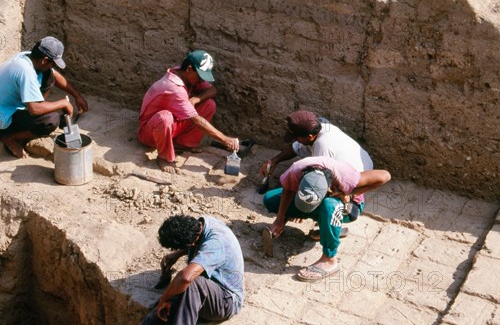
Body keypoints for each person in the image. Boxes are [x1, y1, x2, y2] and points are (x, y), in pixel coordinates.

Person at [262, 156, 391, 282]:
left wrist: (350, 194)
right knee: (270, 199)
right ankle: (327, 228)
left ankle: (329, 259)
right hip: (320, 198)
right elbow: (288, 189)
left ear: (328, 189)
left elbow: (385, 176)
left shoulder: (346, 178)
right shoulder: (297, 169)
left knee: (329, 205)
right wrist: (280, 218)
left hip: (348, 206)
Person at [259, 110, 373, 239]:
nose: (296, 141)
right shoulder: (320, 128)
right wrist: (275, 161)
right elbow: (295, 148)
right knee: (270, 199)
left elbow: (320, 186)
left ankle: (331, 228)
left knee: (322, 202)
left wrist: (304, 203)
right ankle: (323, 220)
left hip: (351, 200)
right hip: (346, 173)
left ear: (310, 136)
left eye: (297, 138)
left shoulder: (323, 147)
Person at [139, 215, 244, 325]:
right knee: (151, 322)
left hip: (226, 300)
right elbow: (196, 242)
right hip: (207, 290)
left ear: (191, 243)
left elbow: (185, 278)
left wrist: (164, 299)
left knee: (192, 281)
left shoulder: (216, 243)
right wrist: (177, 254)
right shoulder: (200, 223)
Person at [0, 36, 88, 158]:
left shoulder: (27, 56)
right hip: (1, 121)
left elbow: (54, 75)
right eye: (52, 63)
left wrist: (77, 96)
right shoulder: (26, 72)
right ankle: (11, 137)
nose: (52, 66)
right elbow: (34, 109)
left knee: (48, 75)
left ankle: (41, 106)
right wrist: (63, 103)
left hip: (3, 109)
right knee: (51, 120)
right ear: (44, 60)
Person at [138, 50, 239, 173]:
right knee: (165, 117)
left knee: (209, 104)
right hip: (150, 133)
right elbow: (195, 120)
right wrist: (224, 139)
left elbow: (212, 90)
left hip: (172, 126)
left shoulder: (184, 74)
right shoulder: (174, 87)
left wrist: (196, 99)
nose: (202, 81)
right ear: (189, 69)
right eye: (200, 76)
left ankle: (183, 144)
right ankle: (163, 157)